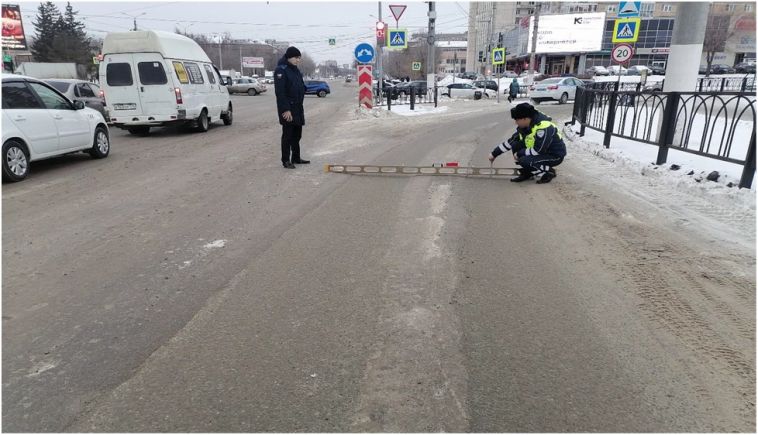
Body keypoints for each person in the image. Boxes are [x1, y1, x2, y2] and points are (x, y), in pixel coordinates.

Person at [488, 102, 566, 184]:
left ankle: (549, 171)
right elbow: (511, 142)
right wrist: (494, 154)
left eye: (517, 120)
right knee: (516, 145)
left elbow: (539, 150)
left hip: (554, 155)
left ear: (525, 119)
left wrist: (519, 154)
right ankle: (528, 172)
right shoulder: (526, 127)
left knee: (524, 160)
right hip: (542, 152)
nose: (516, 123)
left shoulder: (543, 127)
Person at [275, 46, 309, 169]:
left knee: (297, 135)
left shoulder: (295, 70)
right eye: (296, 57)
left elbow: (299, 85)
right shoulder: (281, 70)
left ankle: (296, 157)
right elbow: (280, 92)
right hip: (288, 109)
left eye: (299, 58)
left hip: (298, 108)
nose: (298, 60)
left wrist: (303, 88)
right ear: (289, 57)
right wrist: (285, 110)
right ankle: (285, 160)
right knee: (287, 136)